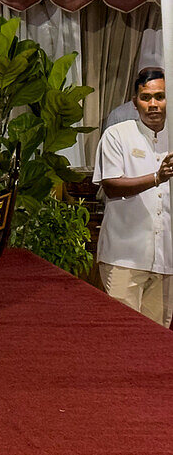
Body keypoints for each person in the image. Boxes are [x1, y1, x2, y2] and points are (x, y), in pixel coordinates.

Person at [92, 67, 173, 327]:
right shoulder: (118, 135)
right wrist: (156, 178)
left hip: (166, 261)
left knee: (158, 340)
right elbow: (112, 186)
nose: (153, 105)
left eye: (159, 97)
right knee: (122, 337)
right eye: (146, 97)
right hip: (124, 256)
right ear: (134, 101)